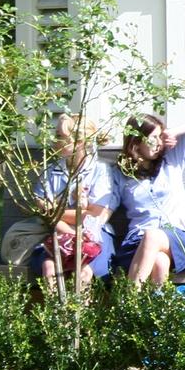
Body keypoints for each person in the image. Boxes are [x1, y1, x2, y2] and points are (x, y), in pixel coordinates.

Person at [112, 113, 185, 287]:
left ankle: (129, 302)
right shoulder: (122, 173)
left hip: (174, 236)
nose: (159, 143)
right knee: (160, 261)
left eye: (160, 137)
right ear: (136, 142)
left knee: (152, 235)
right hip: (136, 240)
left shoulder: (172, 159)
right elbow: (106, 206)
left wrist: (173, 132)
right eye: (153, 138)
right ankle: (153, 310)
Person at [29, 114, 117, 298]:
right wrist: (70, 226)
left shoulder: (100, 172)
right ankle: (57, 322)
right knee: (49, 267)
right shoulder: (51, 172)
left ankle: (80, 323)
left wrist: (56, 212)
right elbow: (45, 213)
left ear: (80, 141)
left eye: (61, 136)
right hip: (56, 234)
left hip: (93, 237)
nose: (55, 140)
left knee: (83, 270)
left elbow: (95, 216)